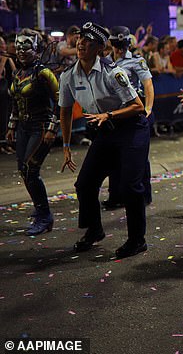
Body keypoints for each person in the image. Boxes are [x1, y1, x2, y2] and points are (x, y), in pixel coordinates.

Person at [58, 22, 150, 259]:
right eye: (79, 40)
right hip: (104, 131)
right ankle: (95, 230)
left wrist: (108, 115)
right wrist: (66, 146)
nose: (80, 44)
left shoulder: (113, 73)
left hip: (131, 128)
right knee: (85, 184)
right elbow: (65, 111)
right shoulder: (68, 76)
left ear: (99, 48)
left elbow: (137, 107)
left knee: (130, 186)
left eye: (88, 42)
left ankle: (137, 240)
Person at [7, 30, 59, 235]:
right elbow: (15, 102)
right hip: (24, 128)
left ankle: (45, 216)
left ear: (36, 48)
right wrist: (12, 125)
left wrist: (52, 129)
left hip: (41, 127)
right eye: (18, 45)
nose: (20, 50)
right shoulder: (18, 73)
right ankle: (41, 213)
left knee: (30, 169)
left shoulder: (43, 73)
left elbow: (61, 101)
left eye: (26, 45)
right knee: (24, 170)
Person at [101, 25, 155, 209]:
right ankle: (115, 196)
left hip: (134, 111)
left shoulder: (136, 61)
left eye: (122, 44)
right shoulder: (104, 62)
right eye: (116, 44)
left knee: (139, 156)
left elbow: (147, 84)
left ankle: (144, 194)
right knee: (113, 156)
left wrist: (148, 107)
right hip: (115, 113)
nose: (119, 48)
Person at [0, 35, 16, 154]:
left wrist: (8, 59)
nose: (3, 46)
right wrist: (3, 61)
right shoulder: (2, 59)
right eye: (1, 44)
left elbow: (15, 73)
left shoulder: (7, 57)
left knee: (7, 119)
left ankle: (7, 144)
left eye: (3, 43)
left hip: (8, 93)